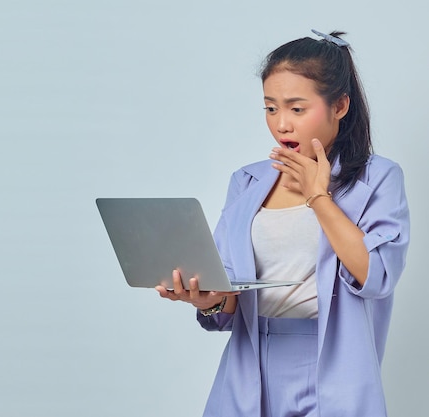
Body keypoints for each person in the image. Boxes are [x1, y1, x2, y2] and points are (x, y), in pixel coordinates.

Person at [156, 30, 410, 417]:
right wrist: (209, 301)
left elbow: (376, 276)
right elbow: (228, 289)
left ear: (339, 106)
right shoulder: (247, 181)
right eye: (270, 108)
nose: (281, 125)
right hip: (250, 363)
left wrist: (318, 197)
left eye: (296, 108)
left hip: (334, 364)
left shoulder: (378, 178)